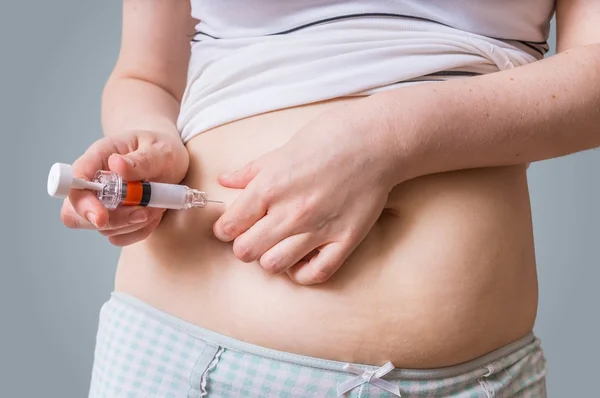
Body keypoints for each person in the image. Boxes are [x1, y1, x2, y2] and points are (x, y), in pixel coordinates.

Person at [60, 1, 599, 397]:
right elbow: (145, 73)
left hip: (456, 382)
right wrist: (146, 138)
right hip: (172, 357)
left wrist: (387, 137)